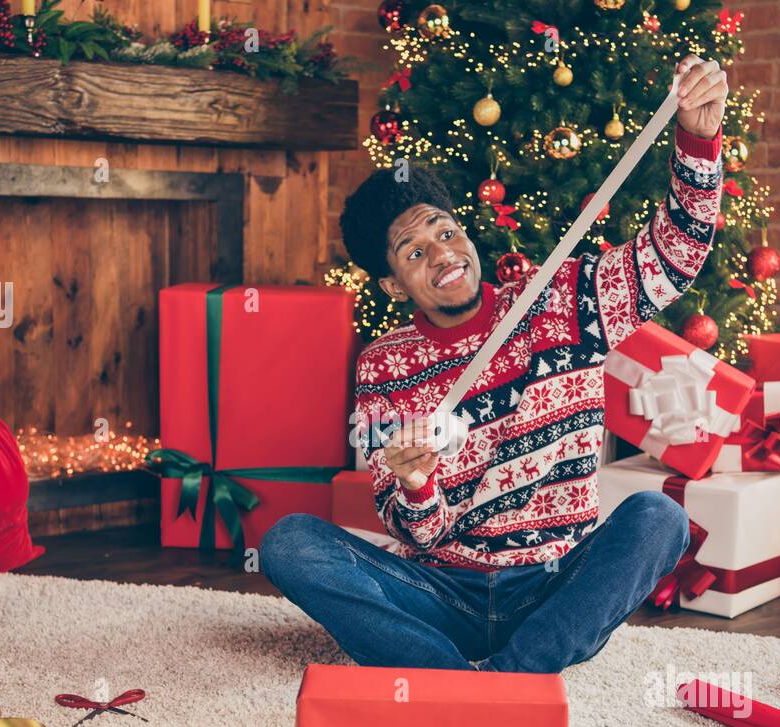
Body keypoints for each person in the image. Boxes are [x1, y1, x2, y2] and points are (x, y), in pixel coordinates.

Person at [262, 55, 728, 674]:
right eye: (414, 252)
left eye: (446, 232)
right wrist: (416, 483)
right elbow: (417, 533)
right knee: (289, 542)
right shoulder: (385, 365)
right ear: (394, 284)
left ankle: (508, 678)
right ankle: (461, 676)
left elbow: (676, 256)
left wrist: (698, 138)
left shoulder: (564, 299)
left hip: (553, 584)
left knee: (659, 517)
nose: (443, 255)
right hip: (440, 593)